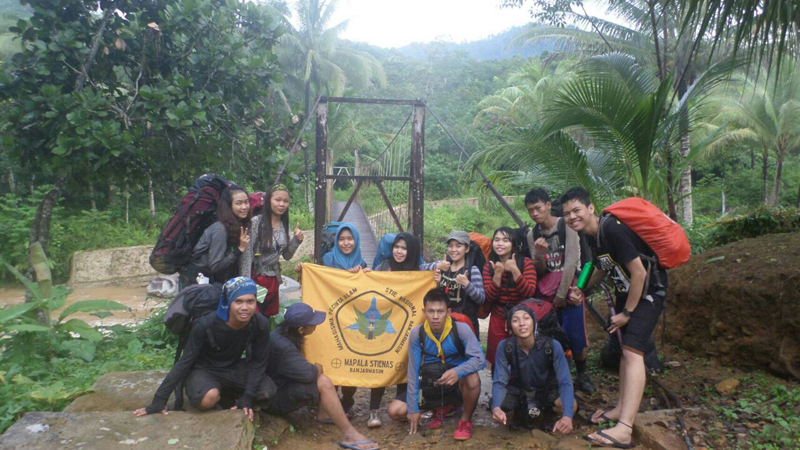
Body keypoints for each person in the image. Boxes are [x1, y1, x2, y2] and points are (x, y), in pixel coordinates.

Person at [561, 187, 667, 449]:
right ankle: (621, 409)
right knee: (625, 352)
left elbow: (640, 274)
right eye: (567, 214)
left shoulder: (612, 230)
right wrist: (581, 288)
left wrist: (627, 313)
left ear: (591, 208)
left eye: (577, 210)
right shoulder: (592, 235)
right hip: (627, 293)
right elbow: (599, 266)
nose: (572, 217)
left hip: (647, 293)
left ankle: (625, 429)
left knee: (633, 352)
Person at [134, 277, 272, 422]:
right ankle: (213, 391)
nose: (245, 307)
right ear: (228, 302)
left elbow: (258, 362)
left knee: (268, 391)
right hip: (204, 369)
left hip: (233, 367)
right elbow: (185, 361)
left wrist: (247, 398)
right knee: (208, 398)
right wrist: (159, 400)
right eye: (238, 301)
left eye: (250, 301)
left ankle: (226, 396)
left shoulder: (260, 323)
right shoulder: (207, 324)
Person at [266, 303, 379, 450]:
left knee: (316, 371)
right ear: (301, 329)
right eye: (313, 323)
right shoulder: (284, 347)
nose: (316, 325)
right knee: (322, 381)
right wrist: (317, 368)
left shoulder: (283, 333)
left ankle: (324, 414)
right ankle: (350, 435)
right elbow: (309, 375)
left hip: (278, 386)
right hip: (274, 399)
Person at [525, 188, 596, 393]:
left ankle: (582, 374)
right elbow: (539, 270)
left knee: (575, 334)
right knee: (549, 335)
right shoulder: (533, 234)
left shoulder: (567, 226)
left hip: (569, 290)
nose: (535, 214)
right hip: (545, 293)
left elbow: (572, 261)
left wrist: (561, 295)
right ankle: (555, 376)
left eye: (538, 208)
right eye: (531, 211)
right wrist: (538, 254)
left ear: (548, 205)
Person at [395, 288, 485, 440]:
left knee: (473, 378)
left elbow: (479, 359)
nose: (435, 316)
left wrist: (458, 371)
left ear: (448, 311)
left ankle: (465, 420)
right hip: (432, 383)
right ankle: (438, 408)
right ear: (424, 311)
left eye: (440, 311)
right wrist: (413, 408)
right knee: (395, 411)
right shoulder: (417, 334)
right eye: (431, 311)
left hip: (456, 382)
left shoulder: (461, 329)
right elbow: (413, 372)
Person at [492, 304, 576, 434]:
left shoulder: (552, 346)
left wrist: (567, 416)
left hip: (547, 388)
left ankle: (549, 412)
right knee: (500, 404)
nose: (521, 323)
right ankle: (521, 410)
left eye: (526, 318)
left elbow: (565, 381)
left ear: (534, 322)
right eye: (515, 320)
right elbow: (500, 381)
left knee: (571, 406)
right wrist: (496, 407)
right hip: (520, 388)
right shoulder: (505, 346)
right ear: (510, 327)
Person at [240, 184, 304, 317]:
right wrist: (245, 285)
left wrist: (296, 240)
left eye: (285, 201)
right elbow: (247, 255)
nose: (282, 204)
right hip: (257, 278)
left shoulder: (284, 224)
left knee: (267, 316)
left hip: (274, 280)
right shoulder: (257, 223)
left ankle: (265, 337)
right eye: (278, 200)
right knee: (255, 315)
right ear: (269, 200)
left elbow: (286, 256)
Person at [482, 227, 538, 368]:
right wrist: (498, 275)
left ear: (513, 244)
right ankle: (499, 387)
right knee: (497, 359)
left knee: (523, 356)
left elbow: (529, 292)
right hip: (498, 317)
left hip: (521, 316)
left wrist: (514, 270)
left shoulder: (525, 263)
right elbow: (489, 296)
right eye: (497, 240)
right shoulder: (488, 266)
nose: (500, 244)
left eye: (505, 240)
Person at [182, 186, 251, 286]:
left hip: (214, 281)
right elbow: (215, 266)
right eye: (238, 203)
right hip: (198, 283)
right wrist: (239, 250)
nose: (244, 207)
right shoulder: (220, 230)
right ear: (229, 206)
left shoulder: (236, 225)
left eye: (247, 202)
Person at [428, 231, 485, 335]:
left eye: (458, 246)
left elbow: (481, 298)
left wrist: (467, 284)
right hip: (442, 321)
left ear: (467, 249)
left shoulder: (473, 270)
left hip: (465, 323)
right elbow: (420, 269)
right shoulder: (444, 265)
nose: (453, 250)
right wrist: (437, 267)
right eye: (450, 246)